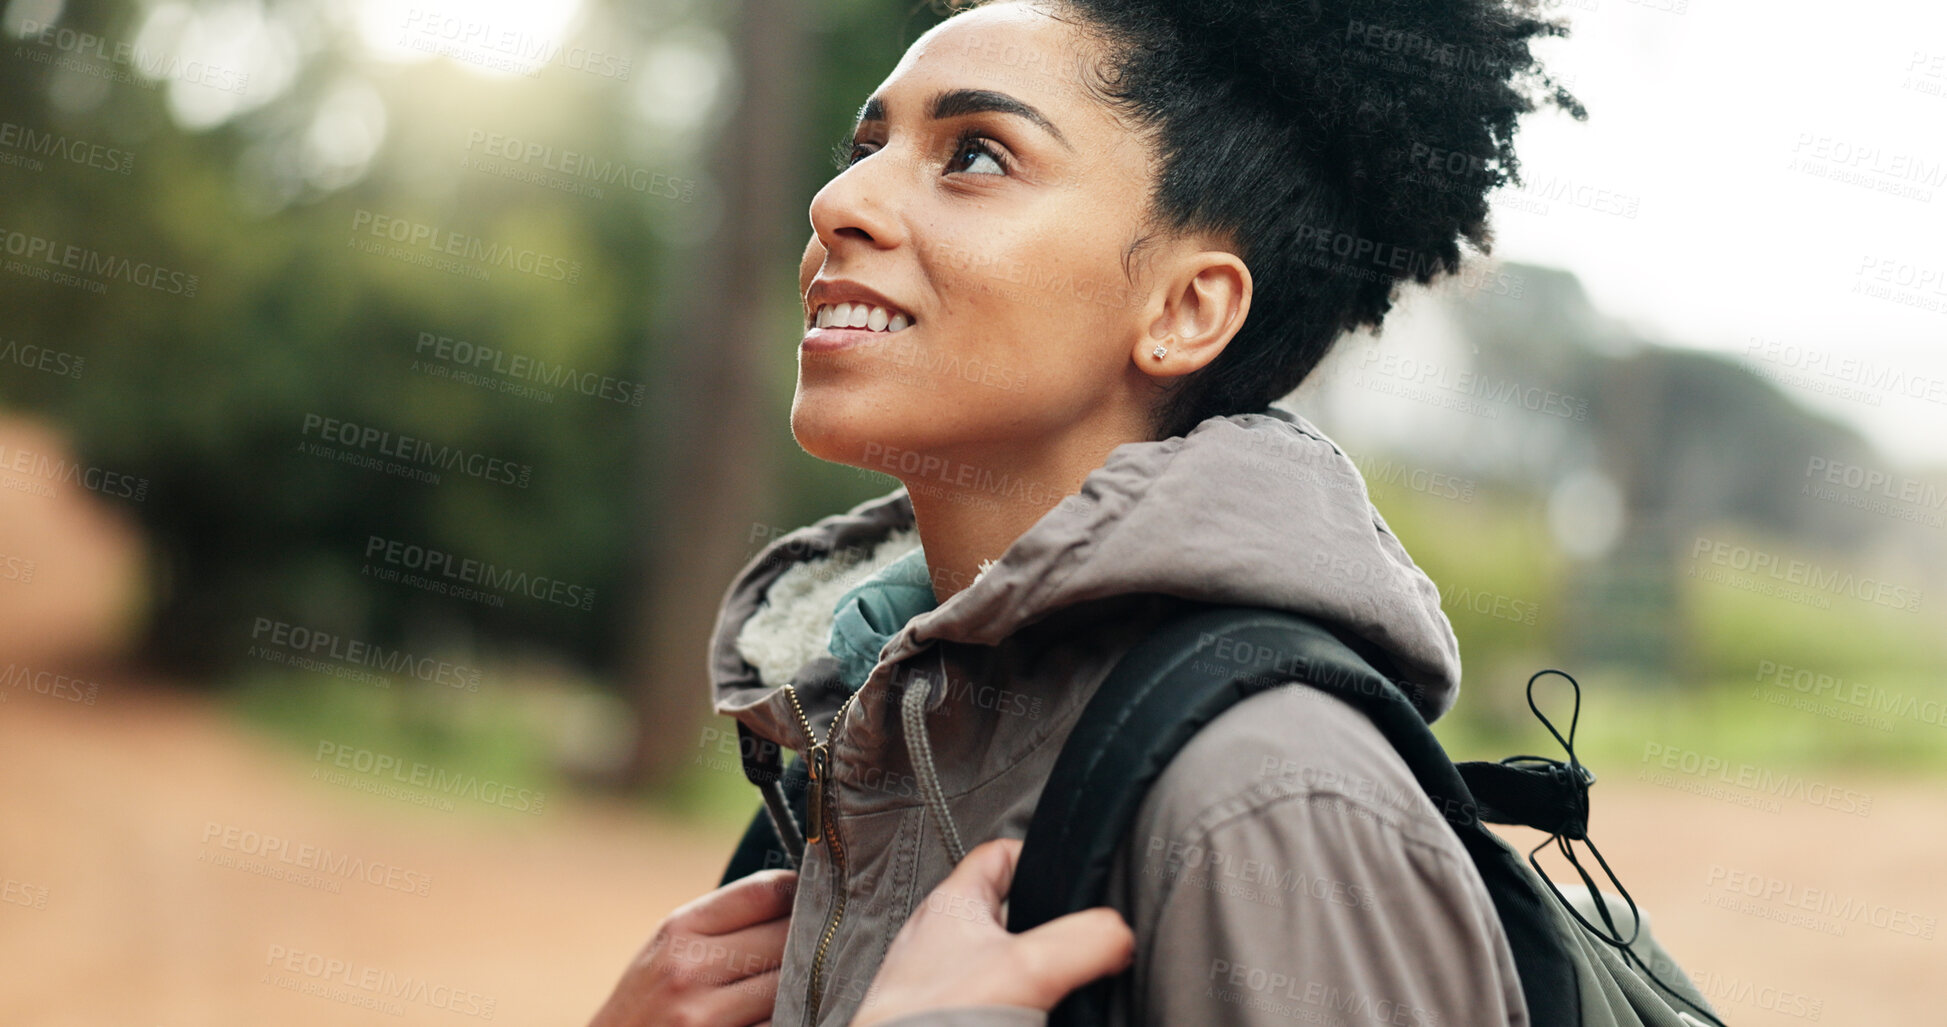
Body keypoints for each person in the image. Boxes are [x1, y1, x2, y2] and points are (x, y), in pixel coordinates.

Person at [598, 0, 1581, 1022]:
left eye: (976, 155)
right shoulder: (852, 744)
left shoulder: (1266, 796)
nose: (839, 202)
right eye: (866, 145)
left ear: (1184, 309)